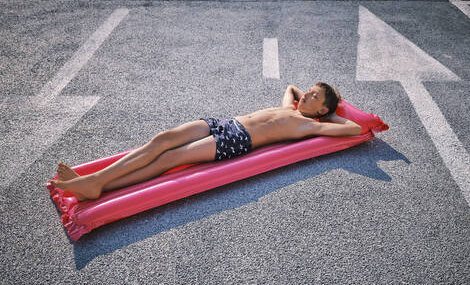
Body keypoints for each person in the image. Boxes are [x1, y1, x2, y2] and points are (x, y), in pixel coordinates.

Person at [51, 82, 362, 201]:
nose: (306, 94)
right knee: (162, 139)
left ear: (322, 108)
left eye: (315, 96)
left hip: (238, 139)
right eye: (311, 90)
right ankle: (94, 181)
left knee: (167, 159)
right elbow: (291, 87)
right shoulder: (290, 107)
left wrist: (332, 113)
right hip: (224, 122)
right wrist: (312, 99)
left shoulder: (311, 126)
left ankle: (97, 184)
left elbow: (351, 128)